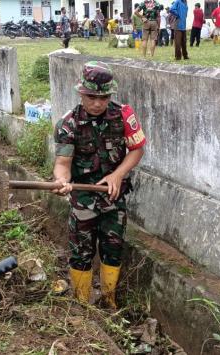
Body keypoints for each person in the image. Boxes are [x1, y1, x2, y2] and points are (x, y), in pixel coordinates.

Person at [53, 61, 146, 309]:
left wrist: (118, 174)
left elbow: (137, 149)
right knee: (81, 252)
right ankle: (82, 303)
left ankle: (109, 300)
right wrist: (61, 180)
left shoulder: (124, 115)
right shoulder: (68, 124)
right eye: (92, 97)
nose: (97, 103)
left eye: (103, 97)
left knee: (113, 249)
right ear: (81, 93)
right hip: (83, 197)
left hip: (114, 198)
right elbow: (63, 162)